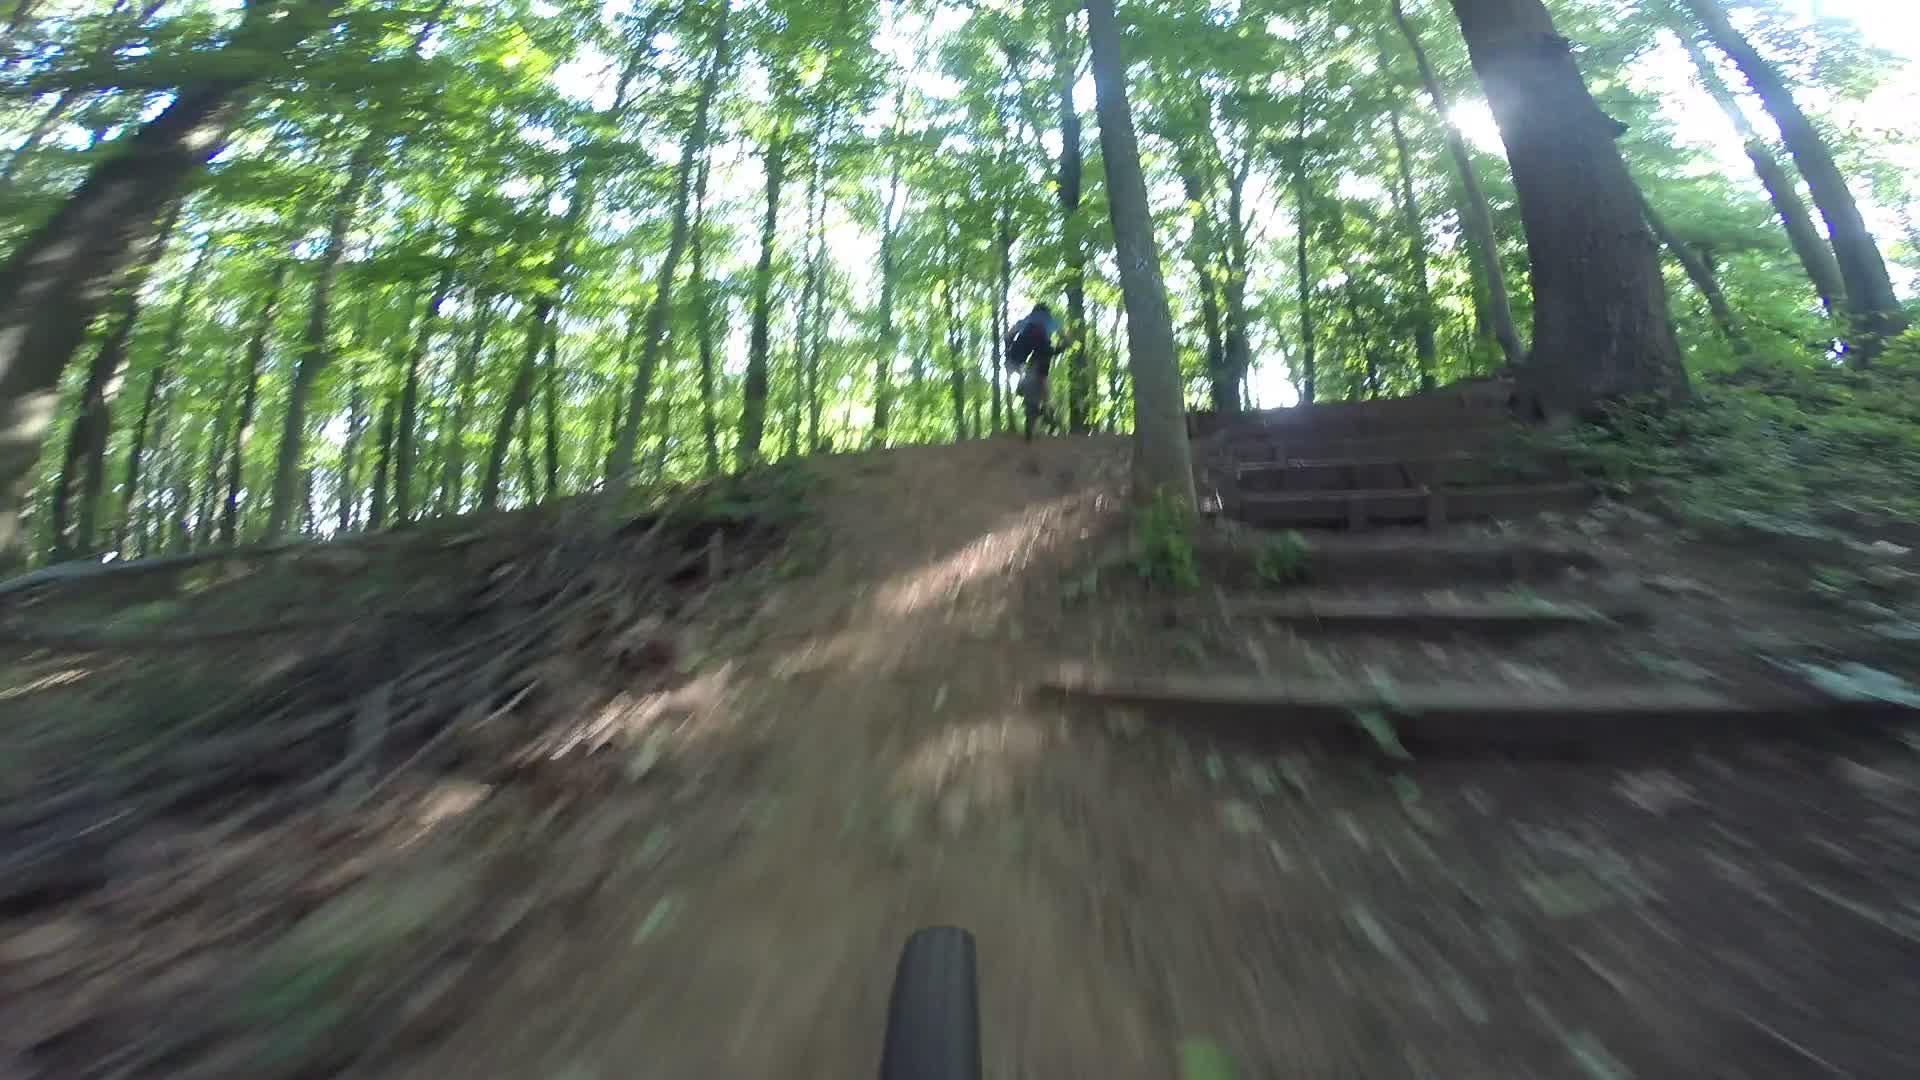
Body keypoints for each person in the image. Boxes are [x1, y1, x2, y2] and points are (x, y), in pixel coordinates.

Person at [1005, 302, 1063, 438]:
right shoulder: (1051, 321)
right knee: (1043, 377)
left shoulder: (1027, 319)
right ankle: (1046, 409)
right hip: (1042, 351)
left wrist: (1009, 348)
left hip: (1022, 348)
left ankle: (1021, 382)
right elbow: (1064, 338)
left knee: (1015, 365)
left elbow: (1009, 335)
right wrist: (1062, 347)